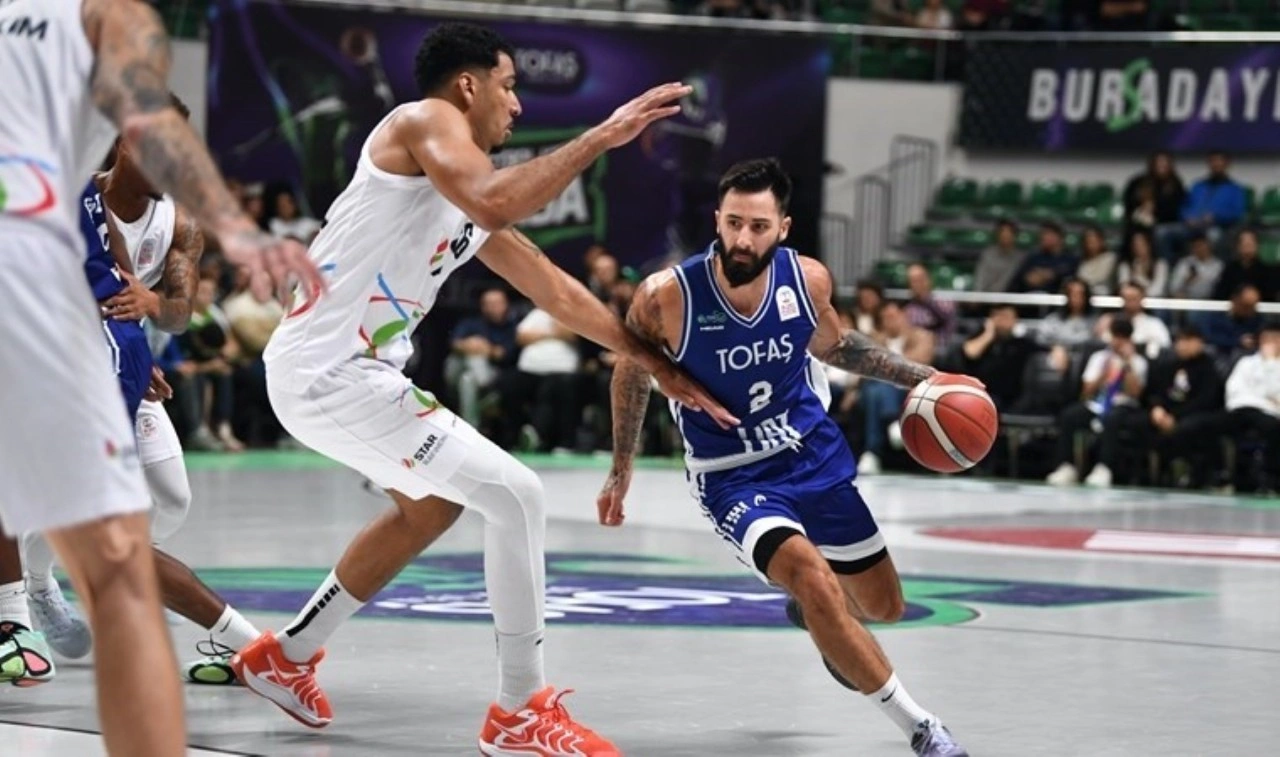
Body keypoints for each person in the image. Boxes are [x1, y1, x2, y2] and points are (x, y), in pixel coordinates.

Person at [229, 23, 730, 755]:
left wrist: (652, 360)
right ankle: (519, 712)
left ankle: (287, 655)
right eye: (509, 86)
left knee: (432, 506)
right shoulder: (425, 119)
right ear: (468, 86)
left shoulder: (460, 185)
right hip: (331, 373)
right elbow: (495, 202)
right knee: (516, 495)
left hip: (343, 373)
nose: (517, 106)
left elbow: (551, 286)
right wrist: (602, 135)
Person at [0, 1, 319, 754]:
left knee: (159, 507)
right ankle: (20, 607)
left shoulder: (178, 219)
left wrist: (145, 324)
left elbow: (169, 307)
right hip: (55, 339)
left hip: (108, 353)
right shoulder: (82, 182)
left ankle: (40, 578)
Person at [598, 158, 970, 756]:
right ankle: (923, 727)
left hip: (811, 454)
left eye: (758, 226)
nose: (743, 239)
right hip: (733, 475)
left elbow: (839, 347)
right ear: (717, 220)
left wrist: (927, 378)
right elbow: (631, 366)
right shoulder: (668, 296)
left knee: (884, 607)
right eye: (734, 223)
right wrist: (622, 467)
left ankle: (814, 612)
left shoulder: (808, 281)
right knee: (813, 577)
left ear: (784, 228)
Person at [24, 96, 265, 687]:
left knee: (172, 498)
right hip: (65, 367)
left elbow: (179, 313)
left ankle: (97, 566)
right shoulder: (78, 196)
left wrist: (151, 308)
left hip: (127, 367)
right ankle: (38, 587)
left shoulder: (179, 222)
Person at [1046, 317, 1149, 487]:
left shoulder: (1138, 361)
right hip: (1098, 403)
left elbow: (1135, 393)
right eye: (1116, 336)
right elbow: (1086, 391)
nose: (1118, 342)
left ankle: (1104, 467)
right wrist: (1104, 374)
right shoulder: (1098, 357)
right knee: (1069, 415)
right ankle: (1066, 466)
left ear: (1129, 339)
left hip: (1123, 405)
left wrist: (1127, 365)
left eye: (1123, 338)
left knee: (1112, 418)